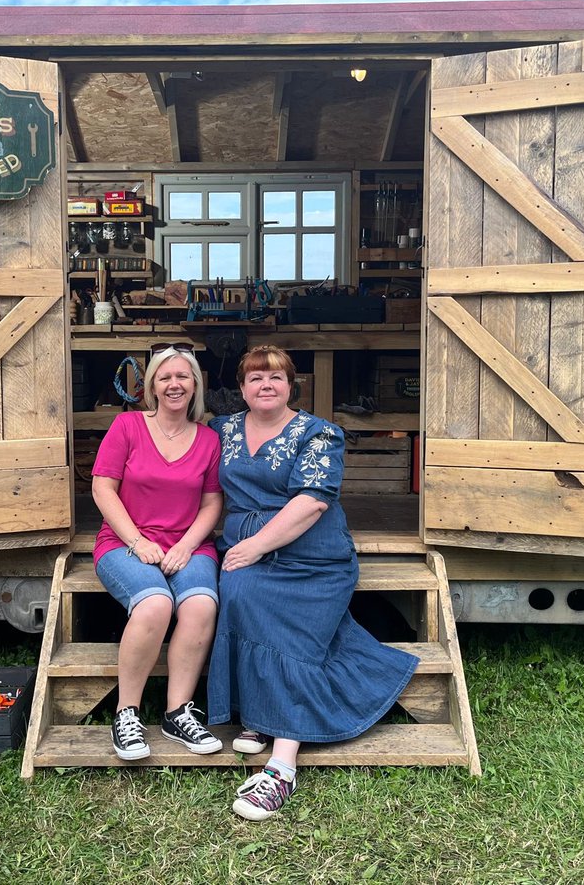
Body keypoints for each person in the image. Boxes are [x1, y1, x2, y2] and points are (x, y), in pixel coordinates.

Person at [208, 345, 419, 820]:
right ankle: (258, 718)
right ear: (241, 388)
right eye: (256, 378)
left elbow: (313, 502)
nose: (266, 385)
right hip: (247, 550)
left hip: (312, 556)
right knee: (238, 593)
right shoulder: (221, 430)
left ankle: (282, 764)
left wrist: (258, 546)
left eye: (276, 377)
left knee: (285, 626)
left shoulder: (319, 433)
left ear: (290, 385)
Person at [91, 343, 225, 760]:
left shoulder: (208, 439)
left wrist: (186, 546)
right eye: (165, 377)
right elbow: (102, 487)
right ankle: (127, 713)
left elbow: (212, 502)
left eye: (183, 376)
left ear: (195, 386)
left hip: (189, 544)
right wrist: (136, 540)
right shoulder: (127, 426)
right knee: (154, 605)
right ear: (151, 386)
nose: (174, 384)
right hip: (125, 542)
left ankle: (176, 712)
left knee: (202, 605)